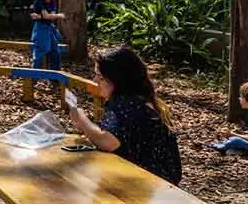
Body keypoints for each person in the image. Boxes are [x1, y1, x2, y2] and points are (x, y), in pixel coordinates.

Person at [65, 47, 182, 184]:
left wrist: (81, 119)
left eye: (100, 77)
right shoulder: (141, 100)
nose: (95, 80)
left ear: (117, 80)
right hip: (160, 181)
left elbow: (108, 142)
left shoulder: (124, 103)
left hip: (149, 184)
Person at [29, 0, 64, 70]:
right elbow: (47, 16)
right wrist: (58, 15)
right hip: (41, 28)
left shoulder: (52, 1)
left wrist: (47, 16)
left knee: (55, 50)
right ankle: (34, 74)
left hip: (49, 28)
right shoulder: (39, 0)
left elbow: (50, 17)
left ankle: (55, 75)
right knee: (43, 49)